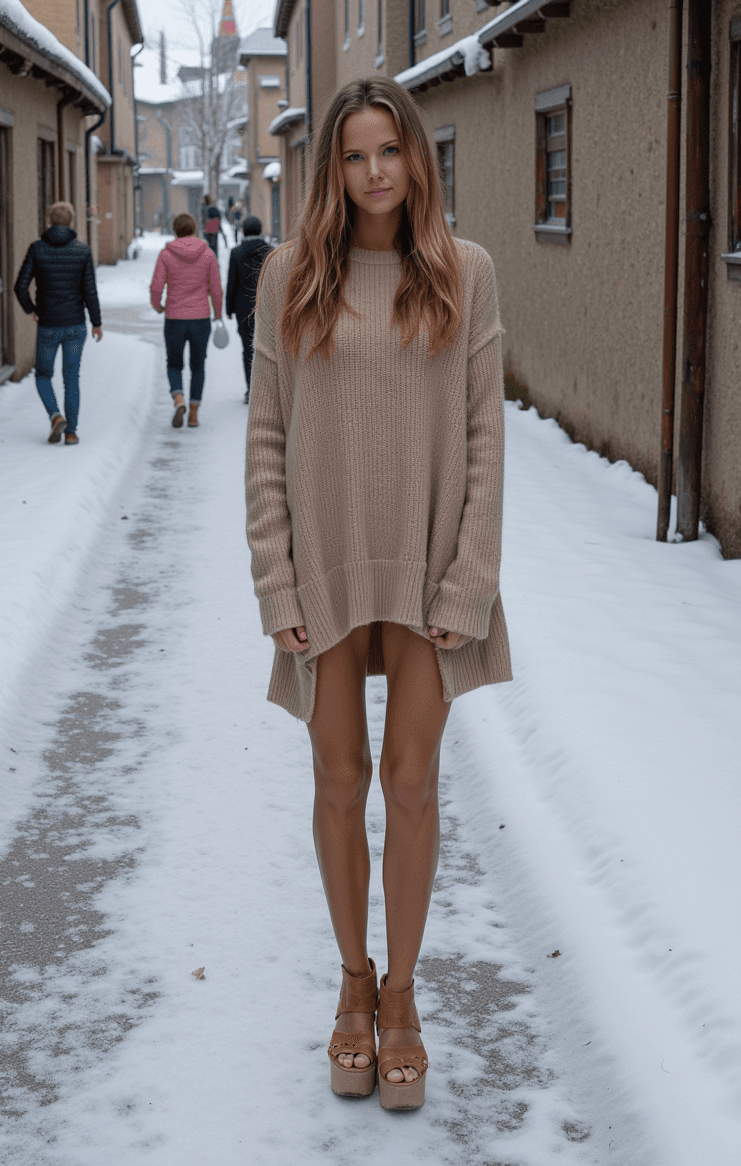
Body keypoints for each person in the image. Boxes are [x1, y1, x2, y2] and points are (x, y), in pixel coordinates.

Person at [245, 77, 511, 1110]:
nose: (373, 174)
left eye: (388, 152)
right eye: (354, 156)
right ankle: (351, 982)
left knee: (410, 784)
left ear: (417, 159)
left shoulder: (466, 274)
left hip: (431, 566)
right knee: (337, 780)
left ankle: (401, 995)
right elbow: (267, 434)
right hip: (327, 567)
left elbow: (485, 437)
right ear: (333, 169)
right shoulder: (289, 277)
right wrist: (276, 578)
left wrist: (472, 577)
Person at [14, 200, 102, 445]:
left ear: (50, 220)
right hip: (75, 324)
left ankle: (55, 416)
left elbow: (20, 286)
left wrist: (31, 310)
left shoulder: (37, 249)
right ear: (71, 221)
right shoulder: (82, 251)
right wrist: (96, 322)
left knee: (43, 374)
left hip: (48, 324)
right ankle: (71, 432)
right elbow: (90, 291)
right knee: (71, 378)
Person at [150, 212, 222, 429]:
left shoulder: (166, 254)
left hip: (174, 318)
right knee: (198, 366)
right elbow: (216, 289)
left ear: (175, 230)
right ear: (193, 229)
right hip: (201, 318)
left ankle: (178, 398)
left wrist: (158, 305)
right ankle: (192, 413)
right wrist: (217, 313)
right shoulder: (208, 254)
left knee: (174, 364)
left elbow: (156, 286)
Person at [225, 215, 271, 402]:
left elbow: (232, 283)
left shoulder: (237, 252)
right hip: (267, 306)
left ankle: (251, 390)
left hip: (243, 308)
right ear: (260, 230)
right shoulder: (271, 252)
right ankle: (267, 392)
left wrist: (229, 308)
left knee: (247, 349)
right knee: (268, 349)